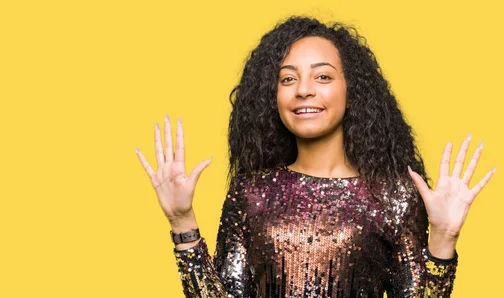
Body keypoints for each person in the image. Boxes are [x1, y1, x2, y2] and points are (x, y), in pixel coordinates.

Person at [135, 16, 496, 297]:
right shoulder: (252, 193)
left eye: (322, 76)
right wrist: (182, 222)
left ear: (351, 90)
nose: (304, 90)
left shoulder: (394, 196)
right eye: (287, 79)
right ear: (271, 96)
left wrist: (443, 239)